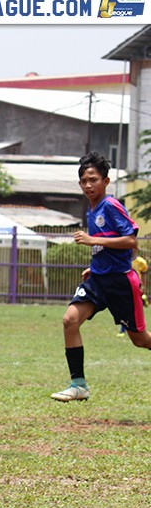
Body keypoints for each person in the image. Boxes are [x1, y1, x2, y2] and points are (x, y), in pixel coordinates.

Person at [52, 151, 151, 402]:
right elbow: (106, 246)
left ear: (105, 181)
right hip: (98, 280)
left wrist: (92, 240)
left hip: (120, 282)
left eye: (93, 179)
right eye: (84, 180)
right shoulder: (92, 209)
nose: (88, 185)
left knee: (139, 340)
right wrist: (95, 265)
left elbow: (131, 241)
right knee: (70, 320)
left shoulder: (111, 205)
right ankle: (78, 385)